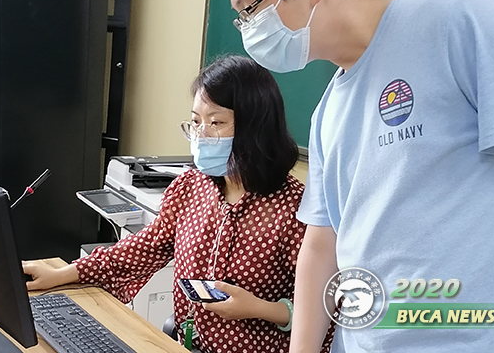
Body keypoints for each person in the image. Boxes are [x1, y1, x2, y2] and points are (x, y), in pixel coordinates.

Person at [220, 0, 494, 353]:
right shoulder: (328, 112)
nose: (248, 28)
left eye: (251, 9)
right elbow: (322, 245)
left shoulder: (456, 21)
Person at [23, 55, 333, 353]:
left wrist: (260, 309)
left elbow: (330, 306)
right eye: (196, 122)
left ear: (256, 127)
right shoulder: (190, 187)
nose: (201, 135)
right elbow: (143, 249)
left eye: (216, 122)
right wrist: (65, 273)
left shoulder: (297, 209)